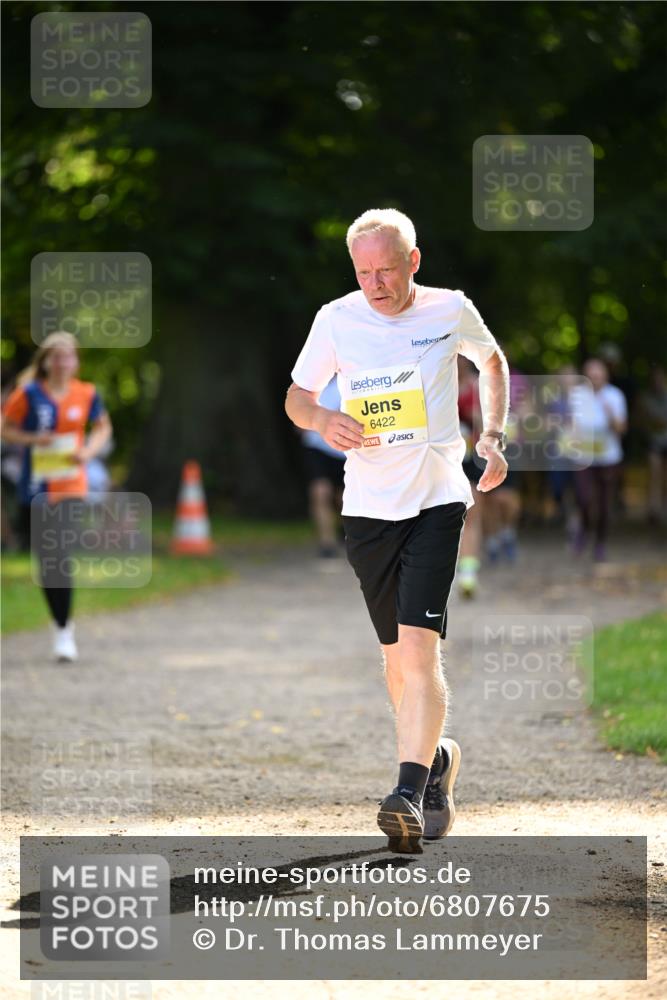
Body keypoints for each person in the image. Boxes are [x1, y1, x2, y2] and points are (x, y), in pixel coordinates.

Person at [285, 208, 509, 852]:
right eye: (363, 272)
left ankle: (407, 790)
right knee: (394, 660)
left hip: (439, 498)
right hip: (368, 509)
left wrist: (490, 436)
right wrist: (322, 422)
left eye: (387, 269)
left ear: (415, 260)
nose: (375, 284)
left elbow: (490, 361)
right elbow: (298, 396)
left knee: (418, 650)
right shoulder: (336, 318)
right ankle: (435, 761)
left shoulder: (448, 309)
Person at [0, 331, 113, 661]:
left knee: (60, 554)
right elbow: (5, 428)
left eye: (70, 356)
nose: (64, 363)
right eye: (57, 356)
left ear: (77, 360)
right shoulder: (29, 393)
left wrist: (88, 451)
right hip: (35, 486)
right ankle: (59, 622)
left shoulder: (86, 394)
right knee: (47, 561)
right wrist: (34, 439)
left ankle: (65, 631)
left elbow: (103, 427)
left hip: (71, 484)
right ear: (46, 361)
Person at [570, 357, 627, 562]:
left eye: (598, 374)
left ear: (605, 375)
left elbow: (621, 429)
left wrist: (609, 413)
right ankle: (584, 530)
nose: (594, 379)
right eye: (590, 375)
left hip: (609, 457)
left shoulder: (615, 396)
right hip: (584, 457)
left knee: (604, 505)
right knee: (584, 498)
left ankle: (600, 543)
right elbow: (573, 425)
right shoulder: (577, 395)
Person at [300, 375, 346, 557]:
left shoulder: (349, 381)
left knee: (344, 498)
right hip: (316, 447)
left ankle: (347, 531)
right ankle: (327, 543)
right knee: (320, 492)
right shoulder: (309, 380)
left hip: (344, 451)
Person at [456, 356, 485, 597]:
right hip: (438, 459)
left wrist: (474, 415)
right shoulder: (429, 381)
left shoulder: (477, 385)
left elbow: (488, 425)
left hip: (470, 457)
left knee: (471, 513)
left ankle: (468, 574)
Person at [637, 365, 667, 524]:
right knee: (654, 475)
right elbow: (642, 421)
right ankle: (653, 509)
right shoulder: (645, 398)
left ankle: (663, 508)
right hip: (653, 442)